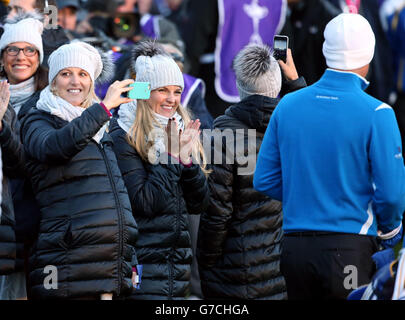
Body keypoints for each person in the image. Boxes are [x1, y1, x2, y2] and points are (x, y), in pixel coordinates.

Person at [253, 13, 405, 300]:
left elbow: (264, 180)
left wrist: (307, 196)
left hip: (294, 247)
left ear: (326, 51)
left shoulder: (288, 105)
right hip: (349, 247)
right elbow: (392, 194)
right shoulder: (378, 113)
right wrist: (391, 231)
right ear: (369, 54)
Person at [20, 41, 139, 299]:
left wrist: (130, 257)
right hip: (67, 263)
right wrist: (103, 109)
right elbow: (53, 147)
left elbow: (117, 196)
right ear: (53, 81)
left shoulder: (100, 124)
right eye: (66, 74)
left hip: (109, 262)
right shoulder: (36, 117)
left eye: (83, 74)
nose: (75, 81)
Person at [197, 44, 306, 300]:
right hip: (287, 266)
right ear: (278, 85)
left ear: (239, 86)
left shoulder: (221, 137)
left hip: (234, 272)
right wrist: (295, 83)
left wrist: (205, 262)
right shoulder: (296, 128)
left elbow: (217, 214)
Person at [109, 40, 210, 300]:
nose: (172, 100)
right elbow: (144, 201)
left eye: (177, 91)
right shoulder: (123, 133)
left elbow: (199, 202)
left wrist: (187, 163)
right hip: (141, 263)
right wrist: (173, 157)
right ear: (144, 92)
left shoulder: (177, 125)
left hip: (176, 264)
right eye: (162, 90)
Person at [0, 12, 47, 300]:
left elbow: (25, 166)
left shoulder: (49, 103)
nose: (21, 57)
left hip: (29, 223)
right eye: (12, 49)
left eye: (30, 49)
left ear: (39, 57)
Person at [184, 0, 287, 119]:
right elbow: (284, 49)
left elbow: (195, 42)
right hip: (267, 93)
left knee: (221, 134)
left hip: (217, 87)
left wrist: (187, 81)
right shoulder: (278, 3)